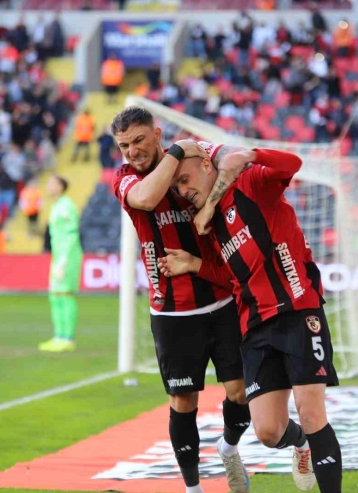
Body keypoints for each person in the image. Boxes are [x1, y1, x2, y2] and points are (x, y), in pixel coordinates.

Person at [159, 148, 342, 492]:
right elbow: (231, 279)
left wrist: (251, 154)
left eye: (184, 180)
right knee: (269, 432)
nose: (182, 191)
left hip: (298, 310)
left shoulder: (252, 183)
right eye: (176, 187)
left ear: (204, 165)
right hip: (255, 327)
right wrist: (193, 264)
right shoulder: (209, 223)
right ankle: (300, 444)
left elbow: (292, 164)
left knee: (310, 408)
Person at [110, 106, 252, 493]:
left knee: (241, 393)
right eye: (124, 145)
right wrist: (176, 152)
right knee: (183, 402)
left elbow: (234, 157)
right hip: (171, 312)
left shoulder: (192, 153)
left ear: (156, 134)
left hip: (221, 300)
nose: (132, 152)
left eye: (139, 140)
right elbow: (145, 198)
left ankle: (229, 448)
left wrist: (210, 192)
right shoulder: (126, 179)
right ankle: (193, 489)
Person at [38, 176, 83, 352]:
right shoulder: (55, 206)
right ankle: (58, 336)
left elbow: (72, 234)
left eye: (50, 183)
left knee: (65, 295)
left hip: (68, 256)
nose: (47, 186)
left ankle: (67, 338)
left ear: (59, 187)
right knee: (55, 296)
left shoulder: (66, 206)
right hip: (58, 256)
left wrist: (64, 260)